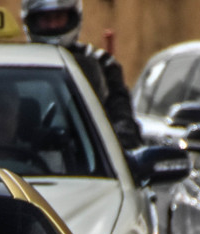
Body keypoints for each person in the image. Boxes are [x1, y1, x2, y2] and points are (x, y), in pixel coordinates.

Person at [21, 0, 142, 149]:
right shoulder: (14, 64)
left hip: (86, 160)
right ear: (31, 20)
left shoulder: (101, 63)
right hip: (24, 158)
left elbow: (122, 119)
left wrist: (120, 145)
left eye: (58, 17)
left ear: (73, 17)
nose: (52, 25)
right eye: (46, 19)